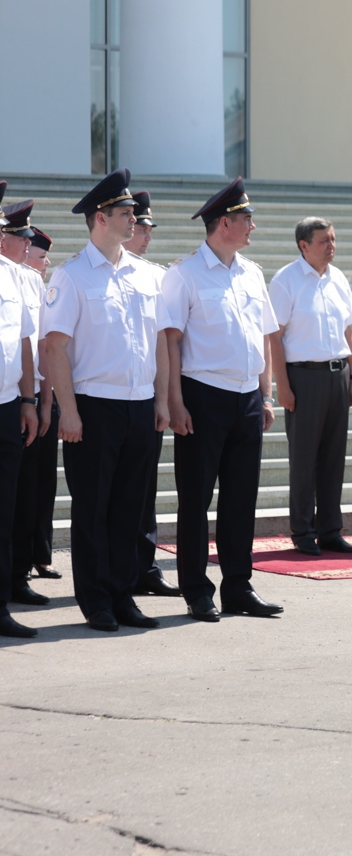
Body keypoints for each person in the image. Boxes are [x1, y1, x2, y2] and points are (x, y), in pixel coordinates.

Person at [42, 169, 170, 632]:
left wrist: (160, 400)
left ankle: (124, 595)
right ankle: (96, 600)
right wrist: (69, 410)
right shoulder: (72, 276)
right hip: (94, 406)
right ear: (100, 218)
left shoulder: (145, 275)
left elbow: (158, 341)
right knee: (93, 508)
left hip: (139, 404)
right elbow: (53, 346)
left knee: (129, 509)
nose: (134, 219)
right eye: (125, 212)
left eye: (133, 212)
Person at [162, 178, 282, 622]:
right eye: (247, 218)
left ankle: (238, 586)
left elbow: (263, 338)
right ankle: (195, 588)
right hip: (202, 395)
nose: (253, 225)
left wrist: (266, 394)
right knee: (196, 498)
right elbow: (171, 342)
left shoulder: (251, 271)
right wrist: (174, 401)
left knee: (240, 498)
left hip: (246, 396)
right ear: (224, 223)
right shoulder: (184, 273)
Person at [268, 217, 352, 556]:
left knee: (334, 458)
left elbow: (348, 331)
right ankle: (303, 531)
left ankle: (330, 530)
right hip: (303, 378)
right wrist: (283, 385)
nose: (331, 246)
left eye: (333, 239)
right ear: (303, 245)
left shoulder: (338, 278)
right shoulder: (285, 281)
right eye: (324, 241)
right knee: (304, 458)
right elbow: (274, 337)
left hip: (337, 375)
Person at [113, 191, 184, 599]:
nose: (146, 236)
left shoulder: (155, 276)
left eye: (148, 229)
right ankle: (115, 570)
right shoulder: (98, 272)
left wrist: (166, 399)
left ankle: (145, 565)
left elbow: (165, 342)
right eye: (140, 227)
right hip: (111, 396)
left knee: (145, 490)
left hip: (146, 395)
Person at [1, 199, 51, 610]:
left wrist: (34, 400)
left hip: (14, 402)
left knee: (16, 501)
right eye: (19, 234)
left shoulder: (22, 279)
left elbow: (31, 345)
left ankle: (11, 586)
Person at [19, 227, 60, 586]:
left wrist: (46, 401)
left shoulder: (39, 288)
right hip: (21, 397)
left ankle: (39, 556)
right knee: (23, 486)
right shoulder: (19, 282)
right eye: (41, 256)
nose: (46, 264)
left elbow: (46, 349)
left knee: (43, 483)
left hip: (41, 396)